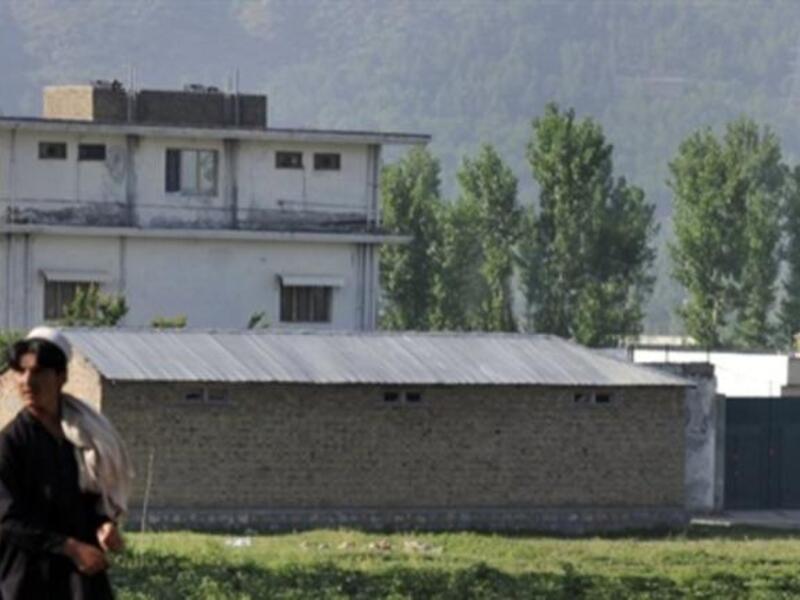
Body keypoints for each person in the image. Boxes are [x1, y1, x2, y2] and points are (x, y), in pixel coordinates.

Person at [0, 326, 132, 599]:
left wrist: (103, 524)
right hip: (28, 578)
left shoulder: (82, 436)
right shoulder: (11, 444)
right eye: (21, 372)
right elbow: (7, 520)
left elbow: (86, 498)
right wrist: (70, 547)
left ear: (61, 377)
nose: (27, 381)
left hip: (80, 580)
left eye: (38, 372)